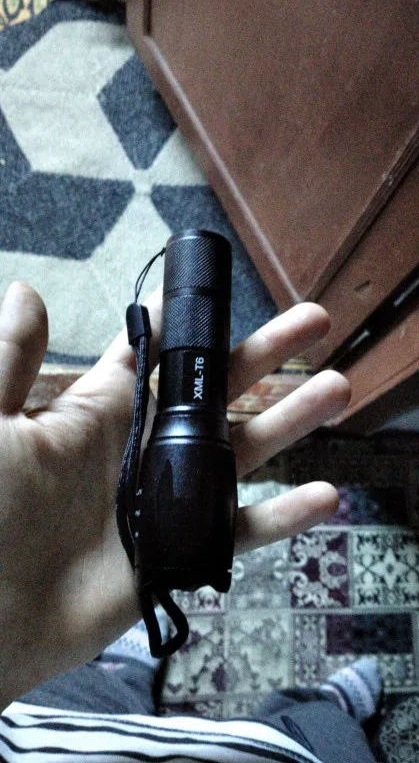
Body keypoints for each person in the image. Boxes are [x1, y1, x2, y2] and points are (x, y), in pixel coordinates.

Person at [0, 281, 380, 762]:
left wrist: (5, 651)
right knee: (322, 734)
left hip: (42, 723)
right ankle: (320, 708)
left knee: (89, 693)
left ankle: (123, 673)